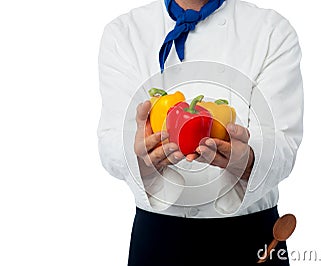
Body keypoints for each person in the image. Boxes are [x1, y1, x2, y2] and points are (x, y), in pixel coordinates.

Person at [97, 0, 303, 265]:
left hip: (251, 239)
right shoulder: (123, 33)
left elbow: (285, 145)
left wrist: (248, 160)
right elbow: (110, 143)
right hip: (159, 241)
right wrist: (137, 155)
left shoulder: (272, 31)